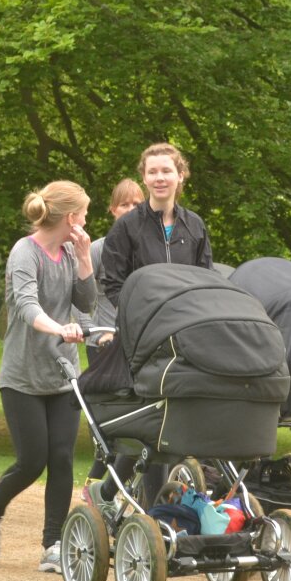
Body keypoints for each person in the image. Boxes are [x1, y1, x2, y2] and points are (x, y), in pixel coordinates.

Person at [0, 181, 95, 573]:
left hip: (62, 375)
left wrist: (86, 257)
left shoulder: (69, 253)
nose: (87, 220)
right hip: (23, 376)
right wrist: (60, 329)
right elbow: (26, 305)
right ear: (71, 217)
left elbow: (87, 303)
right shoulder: (25, 252)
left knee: (61, 458)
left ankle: (53, 545)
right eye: (86, 213)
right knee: (31, 461)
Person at [86, 143, 212, 517]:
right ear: (144, 177)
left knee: (170, 426)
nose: (160, 178)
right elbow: (113, 282)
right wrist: (145, 314)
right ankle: (154, 518)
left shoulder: (195, 225)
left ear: (180, 175)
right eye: (152, 172)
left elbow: (205, 281)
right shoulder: (126, 226)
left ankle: (109, 492)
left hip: (183, 340)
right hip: (141, 340)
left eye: (166, 171)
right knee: (155, 424)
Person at [75, 178, 143, 484]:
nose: (131, 210)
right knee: (110, 419)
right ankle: (96, 482)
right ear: (113, 210)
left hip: (141, 342)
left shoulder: (151, 249)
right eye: (125, 204)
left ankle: (122, 485)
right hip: (105, 343)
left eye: (137, 204)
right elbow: (79, 295)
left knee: (142, 418)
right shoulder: (100, 249)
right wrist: (90, 330)